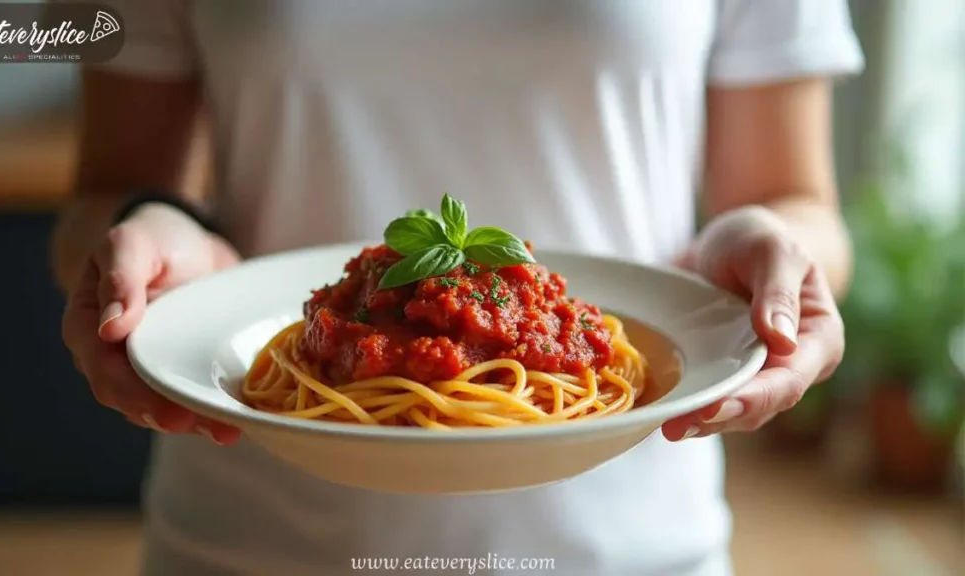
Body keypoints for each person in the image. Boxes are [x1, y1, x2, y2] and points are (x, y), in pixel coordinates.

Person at [53, 1, 862, 574]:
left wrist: (773, 259)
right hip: (249, 542)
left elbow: (801, 206)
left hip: (627, 543)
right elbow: (104, 198)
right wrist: (147, 243)